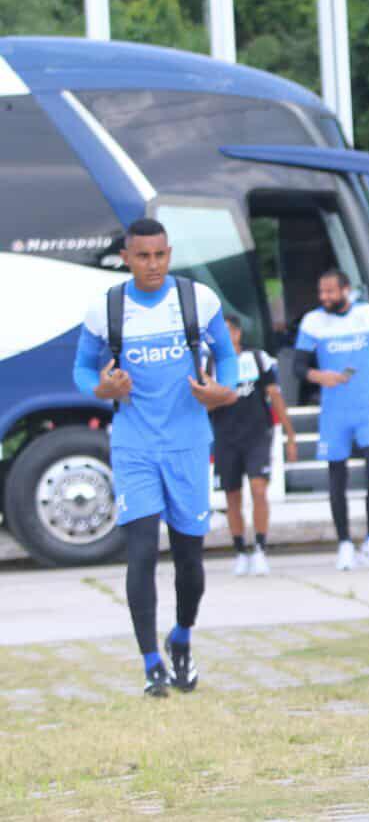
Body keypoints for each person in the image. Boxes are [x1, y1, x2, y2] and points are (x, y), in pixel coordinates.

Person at [73, 218, 239, 696]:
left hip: (189, 443)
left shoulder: (197, 300)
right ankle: (150, 664)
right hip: (134, 444)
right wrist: (102, 388)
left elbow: (225, 357)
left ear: (169, 253)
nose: (152, 265)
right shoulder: (107, 309)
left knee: (189, 559)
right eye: (142, 256)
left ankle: (181, 639)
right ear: (126, 257)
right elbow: (83, 370)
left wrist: (221, 389)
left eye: (160, 255)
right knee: (142, 551)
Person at [294, 270, 369, 571]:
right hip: (334, 412)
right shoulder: (313, 322)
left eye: (331, 292)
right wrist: (318, 376)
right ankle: (344, 543)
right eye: (322, 292)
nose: (325, 298)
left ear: (346, 290)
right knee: (337, 477)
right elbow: (297, 366)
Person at [210, 315, 298, 576]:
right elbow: (202, 403)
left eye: (229, 331)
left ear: (237, 333)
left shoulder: (257, 359)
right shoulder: (210, 364)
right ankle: (240, 551)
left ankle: (260, 548)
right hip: (226, 437)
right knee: (232, 496)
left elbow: (275, 395)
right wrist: (221, 397)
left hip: (257, 435)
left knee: (259, 490)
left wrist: (290, 434)